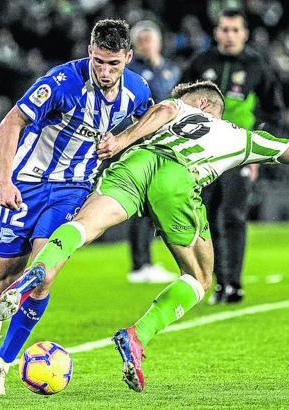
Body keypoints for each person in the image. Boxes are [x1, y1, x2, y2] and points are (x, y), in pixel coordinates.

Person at [0, 80, 289, 392]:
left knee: (85, 227)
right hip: (177, 180)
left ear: (204, 102)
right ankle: (137, 335)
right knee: (200, 277)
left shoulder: (179, 106)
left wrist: (125, 142)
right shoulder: (240, 137)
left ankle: (39, 270)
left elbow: (165, 109)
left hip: (134, 165)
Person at [0, 19, 153, 395]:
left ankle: (1, 364)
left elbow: (149, 122)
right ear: (90, 51)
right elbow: (11, 123)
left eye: (113, 64)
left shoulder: (137, 90)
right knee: (6, 278)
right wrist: (4, 181)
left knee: (44, 275)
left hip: (73, 190)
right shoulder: (61, 82)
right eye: (99, 61)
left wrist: (120, 141)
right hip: (26, 185)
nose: (105, 72)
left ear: (128, 58)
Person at [181, 9, 285, 304]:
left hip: (238, 152)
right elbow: (178, 102)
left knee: (233, 216)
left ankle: (234, 284)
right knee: (205, 217)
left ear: (245, 33)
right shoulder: (200, 63)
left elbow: (274, 111)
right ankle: (217, 282)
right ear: (216, 32)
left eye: (235, 30)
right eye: (224, 29)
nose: (229, 35)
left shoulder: (257, 67)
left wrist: (257, 153)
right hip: (202, 153)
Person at [124, 20, 180, 284]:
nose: (146, 44)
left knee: (155, 202)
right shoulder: (130, 72)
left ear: (158, 41)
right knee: (142, 204)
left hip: (168, 142)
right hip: (141, 141)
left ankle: (146, 262)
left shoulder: (172, 69)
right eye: (141, 40)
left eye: (150, 39)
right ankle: (140, 264)